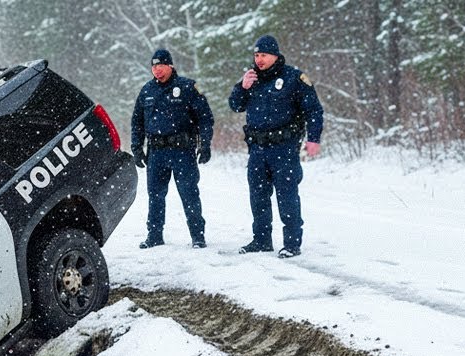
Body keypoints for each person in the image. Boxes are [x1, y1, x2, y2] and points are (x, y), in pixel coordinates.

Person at [229, 34, 324, 258]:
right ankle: (261, 240)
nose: (259, 59)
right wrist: (242, 87)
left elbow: (314, 110)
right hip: (257, 148)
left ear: (275, 55)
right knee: (258, 196)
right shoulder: (251, 78)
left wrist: (314, 138)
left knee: (287, 195)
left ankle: (292, 243)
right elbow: (235, 105)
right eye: (256, 55)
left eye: (264, 55)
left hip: (284, 148)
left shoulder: (293, 78)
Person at [131, 48, 214, 249]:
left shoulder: (187, 87)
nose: (157, 70)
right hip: (156, 152)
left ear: (170, 65)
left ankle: (198, 236)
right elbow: (137, 122)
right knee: (155, 195)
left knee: (189, 193)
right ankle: (154, 235)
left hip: (182, 151)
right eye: (154, 66)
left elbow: (205, 118)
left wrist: (205, 144)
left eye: (161, 66)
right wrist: (137, 147)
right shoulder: (147, 91)